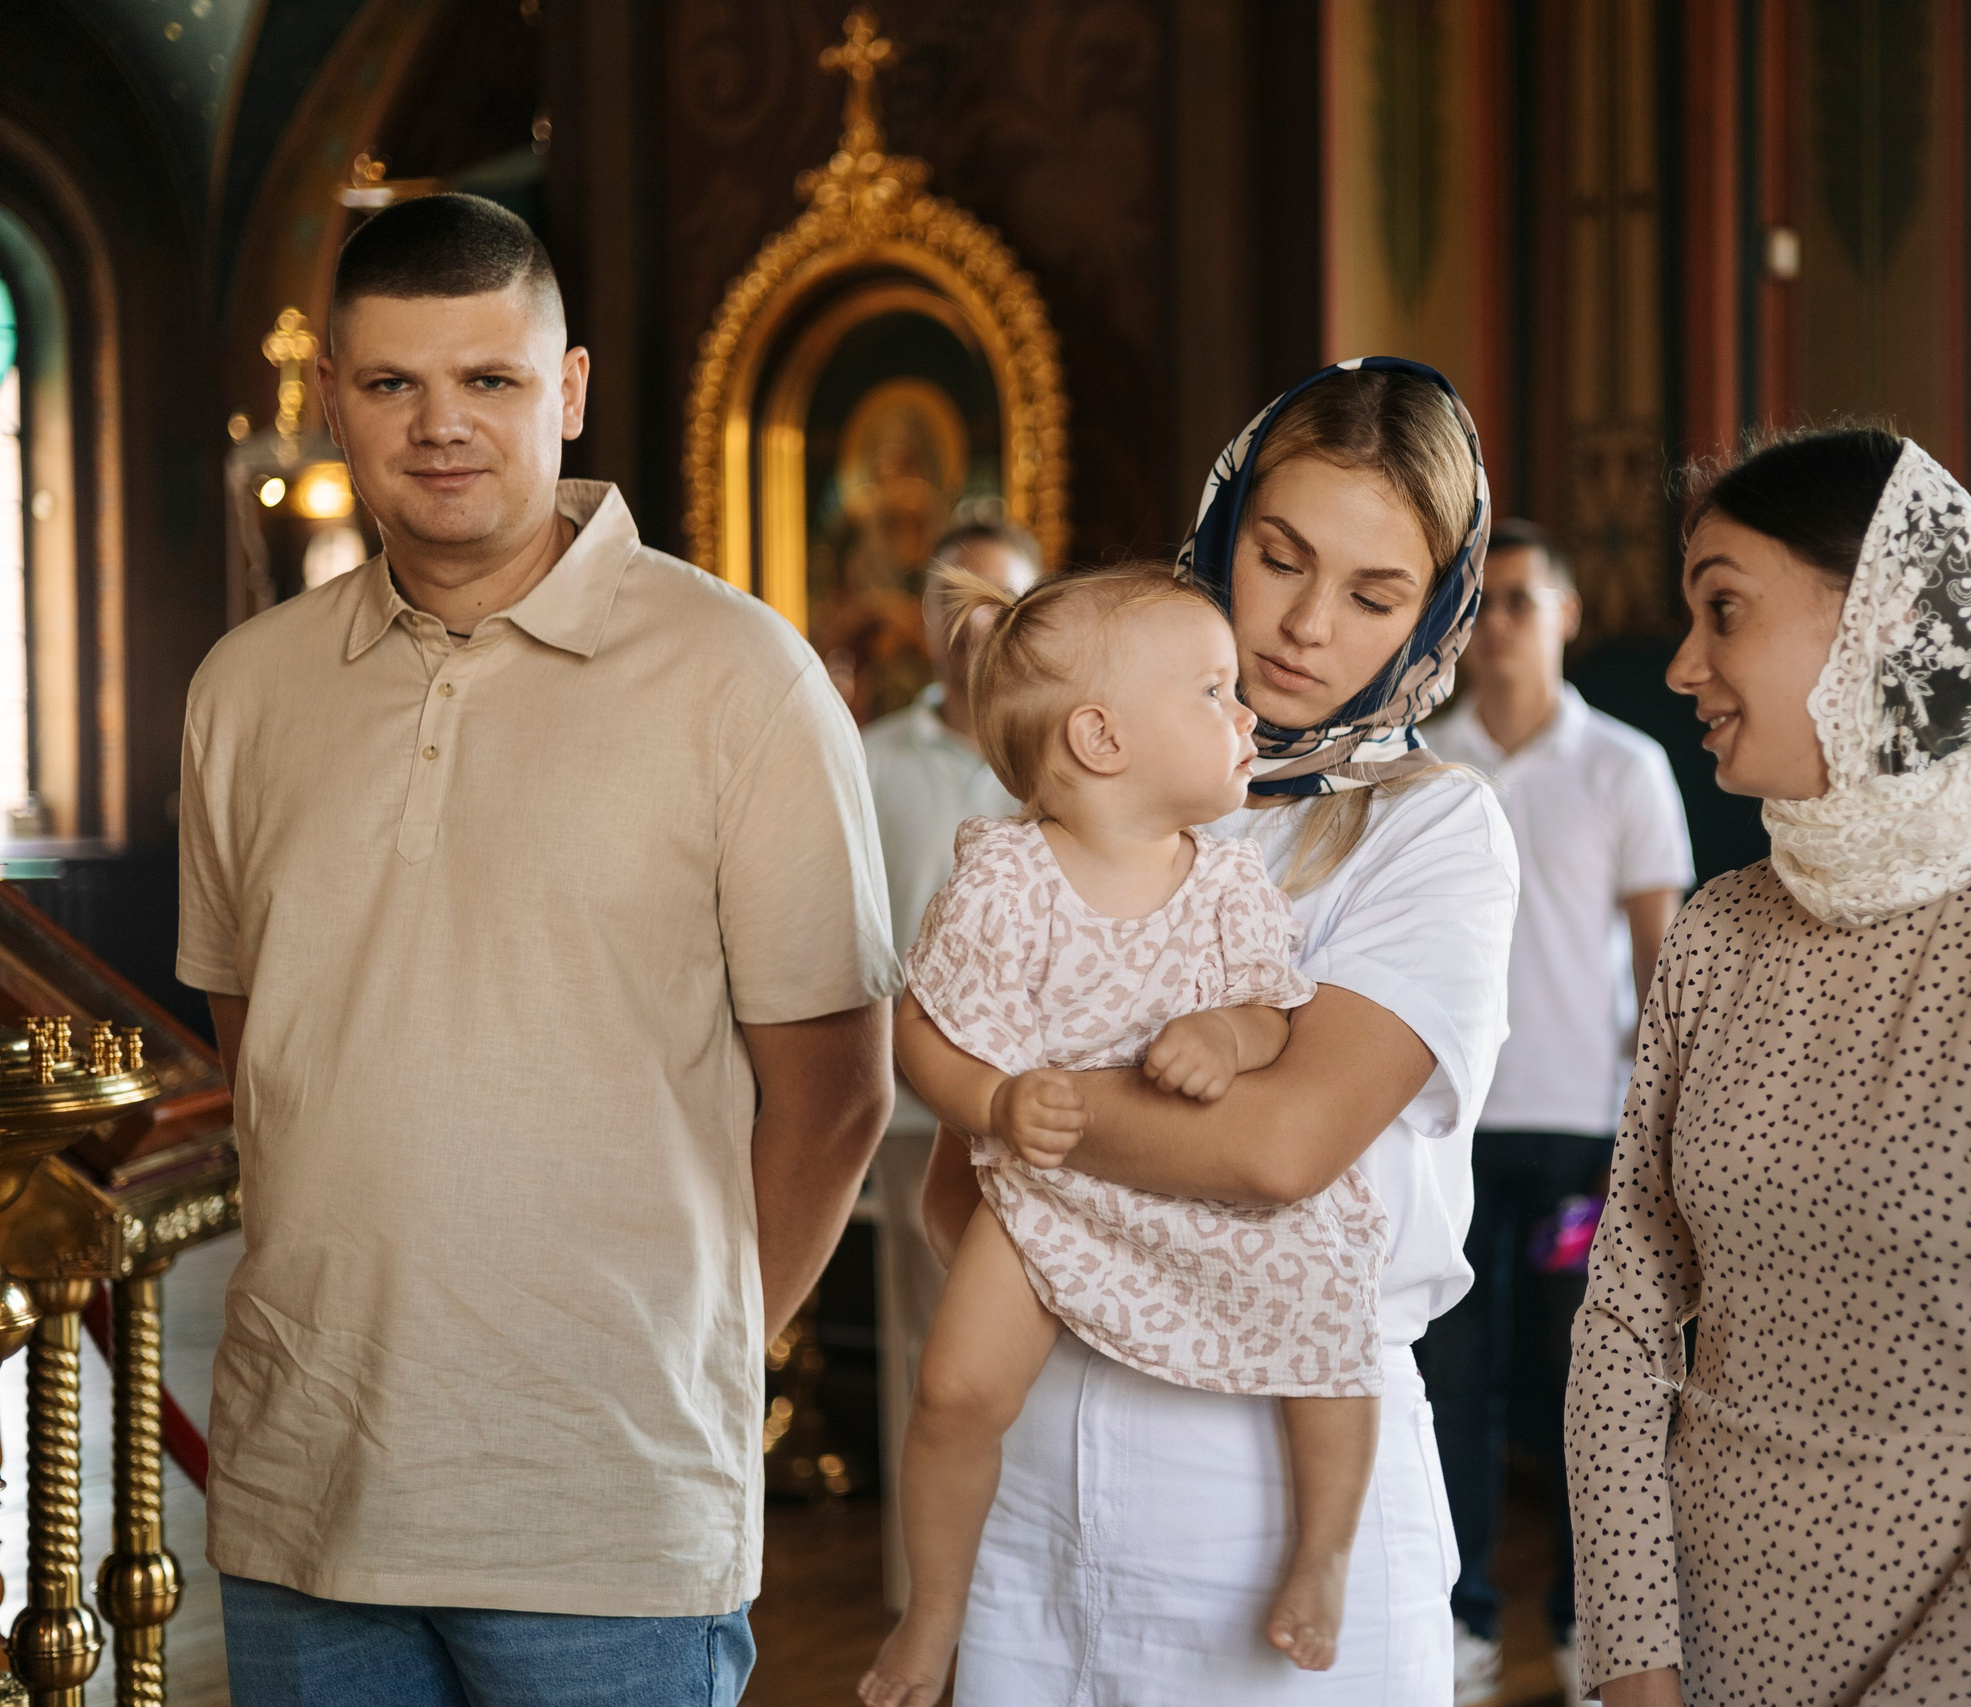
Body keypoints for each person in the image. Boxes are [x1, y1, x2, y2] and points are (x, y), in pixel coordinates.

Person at [175, 193, 898, 1706]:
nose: (443, 425)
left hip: (608, 1514)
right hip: (304, 1484)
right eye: (393, 385)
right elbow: (268, 1061)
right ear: (335, 404)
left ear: (566, 390)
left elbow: (835, 1093)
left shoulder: (740, 678)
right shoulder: (242, 690)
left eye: (490, 380)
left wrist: (686, 1361)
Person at [1566, 428, 1971, 1706]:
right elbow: (1625, 1322)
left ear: (1885, 620)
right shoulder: (1716, 930)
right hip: (1711, 1651)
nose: (1684, 666)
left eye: (1724, 610)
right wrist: (1634, 1659)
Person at [930, 358, 1517, 1703]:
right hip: (1048, 1437)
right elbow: (944, 1180)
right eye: (1279, 557)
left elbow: (1283, 1146)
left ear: (1439, 608)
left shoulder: (1436, 826)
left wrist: (1033, 1115)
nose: (1307, 626)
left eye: (1376, 595)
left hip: (1284, 1457)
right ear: (1222, 527)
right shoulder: (1096, 771)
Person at [863, 564, 1389, 1706]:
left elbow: (1271, 1010)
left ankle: (1326, 1550)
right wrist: (992, 1104)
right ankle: (932, 1612)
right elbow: (923, 1033)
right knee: (953, 1389)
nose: (1247, 713)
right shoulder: (1003, 878)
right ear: (1100, 739)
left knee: (1333, 1314)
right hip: (1051, 1191)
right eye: (1212, 692)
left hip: (1206, 1192)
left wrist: (1227, 1033)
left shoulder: (1228, 883)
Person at [1420, 519, 1691, 1705]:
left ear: (1567, 615)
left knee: (1595, 1388)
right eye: (1484, 605)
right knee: (1453, 1384)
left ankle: (1597, 1634)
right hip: (1451, 1134)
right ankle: (1464, 1623)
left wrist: (1668, 1134)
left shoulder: (1624, 765)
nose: (1500, 627)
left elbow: (1664, 962)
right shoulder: (1422, 766)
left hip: (1587, 1137)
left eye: (1524, 601)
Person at [860, 520, 1040, 1608]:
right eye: (949, 601)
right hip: (917, 1109)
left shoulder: (1075, 740)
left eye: (998, 597)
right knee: (930, 1351)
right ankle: (926, 1589)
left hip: (1058, 1116)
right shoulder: (871, 758)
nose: (974, 625)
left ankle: (1026, 1585)